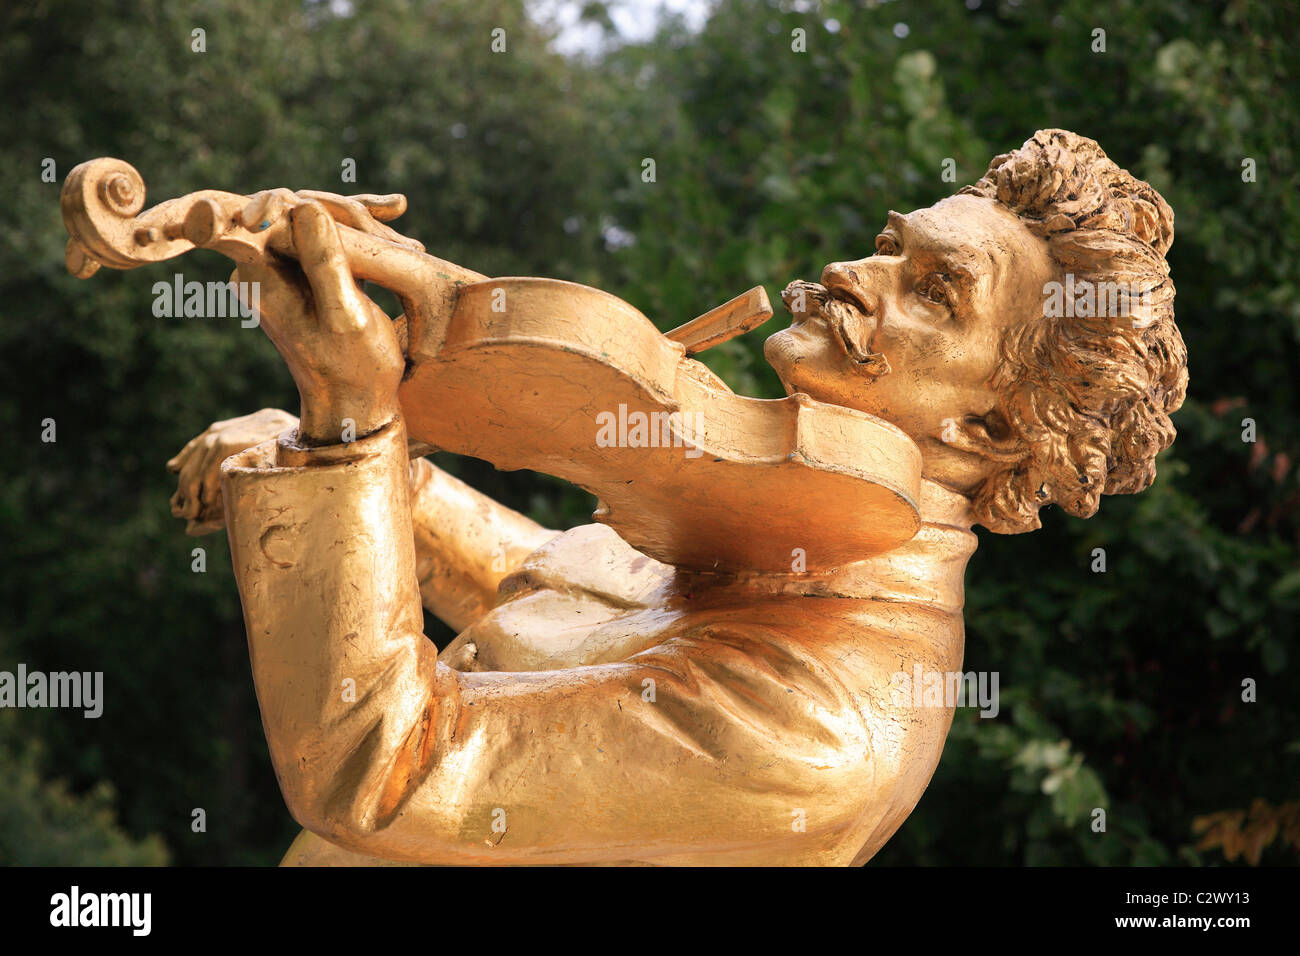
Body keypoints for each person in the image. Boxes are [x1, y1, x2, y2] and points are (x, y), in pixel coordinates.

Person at [168, 129, 1186, 865]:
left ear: (991, 429)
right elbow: (529, 586)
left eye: (933, 289)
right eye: (890, 246)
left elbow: (383, 768)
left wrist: (352, 420)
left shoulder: (828, 720)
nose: (850, 270)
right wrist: (321, 449)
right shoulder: (757, 514)